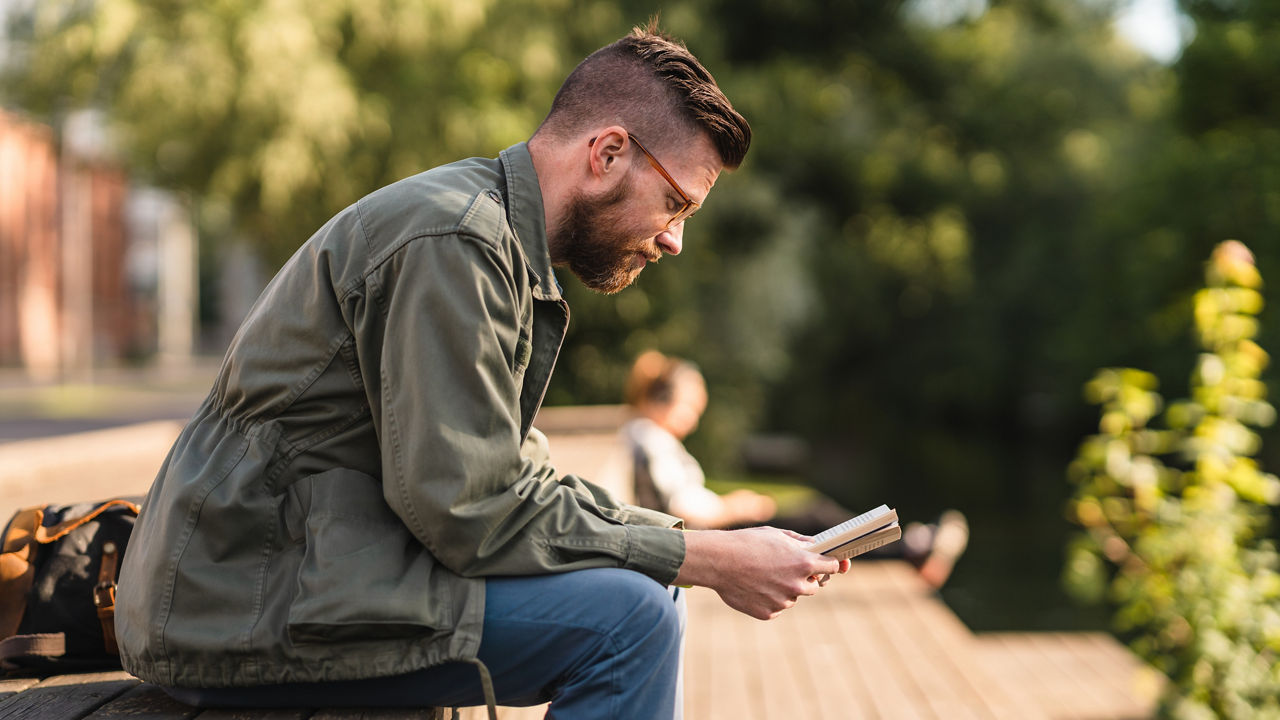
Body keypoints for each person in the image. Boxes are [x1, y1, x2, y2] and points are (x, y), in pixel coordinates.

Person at [115, 21, 848, 720]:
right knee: (631, 621)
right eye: (675, 203)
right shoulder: (457, 242)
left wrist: (687, 545)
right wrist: (705, 555)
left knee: (645, 588)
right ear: (609, 153)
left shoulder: (493, 238)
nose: (676, 240)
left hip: (287, 576)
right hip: (237, 602)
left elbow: (509, 484)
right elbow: (468, 509)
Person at [621, 350, 969, 589]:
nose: (694, 420)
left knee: (815, 519)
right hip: (714, 536)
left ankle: (908, 546)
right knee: (815, 520)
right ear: (662, 401)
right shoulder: (649, 438)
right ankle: (909, 547)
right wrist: (735, 506)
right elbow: (680, 506)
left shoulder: (648, 436)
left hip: (713, 531)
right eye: (690, 408)